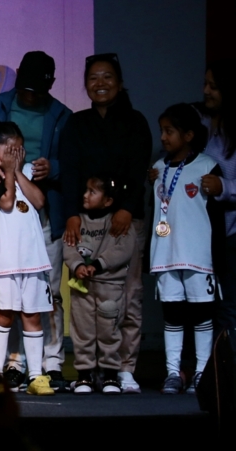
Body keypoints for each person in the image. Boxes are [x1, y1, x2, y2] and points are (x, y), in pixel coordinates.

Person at [0, 51, 71, 392]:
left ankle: (46, 367)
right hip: (5, 252)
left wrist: (49, 167)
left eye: (37, 90)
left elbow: (48, 190)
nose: (30, 97)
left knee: (42, 302)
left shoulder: (60, 115)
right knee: (6, 311)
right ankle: (9, 367)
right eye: (24, 89)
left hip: (38, 238)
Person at [61, 53, 152, 394]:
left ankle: (124, 368)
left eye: (107, 77)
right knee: (87, 299)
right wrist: (71, 212)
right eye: (93, 78)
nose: (100, 84)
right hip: (84, 222)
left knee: (128, 297)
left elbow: (138, 167)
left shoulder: (135, 121)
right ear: (85, 84)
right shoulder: (77, 123)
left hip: (125, 221)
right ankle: (89, 370)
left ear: (120, 81)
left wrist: (127, 208)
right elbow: (69, 171)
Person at [149, 104, 223, 394]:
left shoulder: (207, 167)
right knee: (172, 314)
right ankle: (172, 372)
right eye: (162, 131)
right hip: (165, 255)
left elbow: (216, 217)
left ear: (189, 135)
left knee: (202, 316)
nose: (164, 137)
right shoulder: (157, 169)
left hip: (198, 256)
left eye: (170, 131)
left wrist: (217, 259)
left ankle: (202, 373)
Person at [0, 120, 55, 396]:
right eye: (9, 150)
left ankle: (36, 375)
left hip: (33, 261)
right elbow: (7, 202)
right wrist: (9, 171)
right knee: (3, 316)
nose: (14, 155)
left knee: (32, 315)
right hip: (5, 263)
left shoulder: (23, 174)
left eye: (19, 150)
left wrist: (18, 171)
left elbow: (38, 201)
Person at [63, 173, 136, 394]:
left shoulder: (119, 222)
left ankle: (110, 376)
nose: (85, 195)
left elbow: (124, 249)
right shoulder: (78, 221)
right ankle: (85, 375)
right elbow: (69, 246)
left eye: (92, 192)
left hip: (110, 288)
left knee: (109, 332)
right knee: (83, 332)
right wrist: (77, 265)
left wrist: (99, 264)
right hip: (83, 289)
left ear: (108, 200)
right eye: (85, 190)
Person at [198, 59, 235, 333]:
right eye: (205, 84)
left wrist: (224, 187)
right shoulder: (205, 126)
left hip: (231, 236)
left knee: (229, 308)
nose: (206, 91)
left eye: (214, 86)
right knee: (208, 307)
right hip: (205, 234)